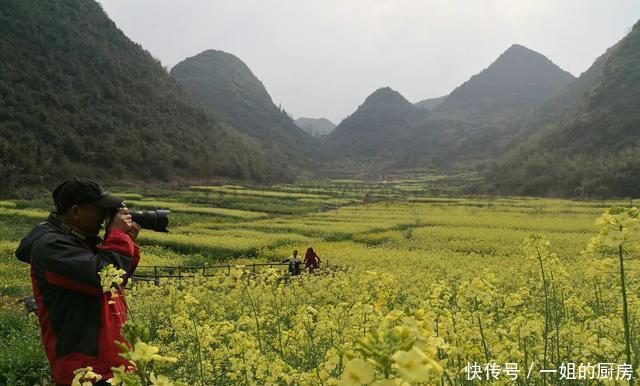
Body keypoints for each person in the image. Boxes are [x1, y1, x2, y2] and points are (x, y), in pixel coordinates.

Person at [15, 177, 141, 386]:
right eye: (99, 209)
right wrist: (118, 235)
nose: (104, 217)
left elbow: (115, 282)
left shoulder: (78, 241)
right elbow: (103, 279)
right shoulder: (51, 247)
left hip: (110, 364)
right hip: (86, 369)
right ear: (75, 211)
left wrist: (127, 241)